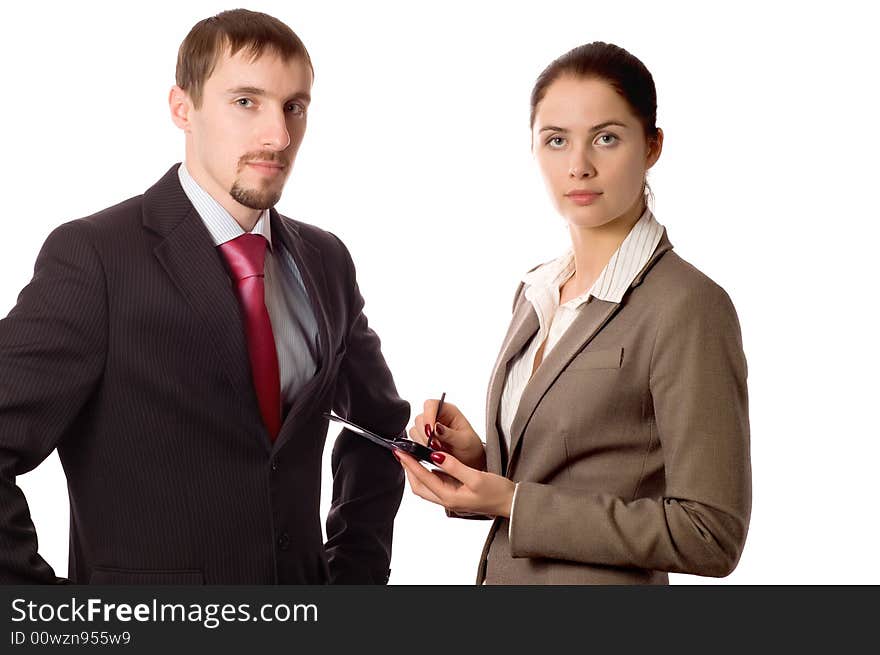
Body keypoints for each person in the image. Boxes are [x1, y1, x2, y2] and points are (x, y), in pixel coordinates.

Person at [0, 9, 408, 585]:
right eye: (247, 102)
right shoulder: (96, 258)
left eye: (295, 106)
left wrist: (354, 579)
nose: (279, 136)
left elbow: (380, 429)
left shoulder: (325, 260)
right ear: (182, 107)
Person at [395, 42, 751, 584]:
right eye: (556, 140)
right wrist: (481, 461)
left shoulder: (688, 306)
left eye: (606, 138)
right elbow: (567, 474)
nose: (579, 166)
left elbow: (710, 534)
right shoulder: (537, 290)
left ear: (652, 146)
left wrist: (514, 502)